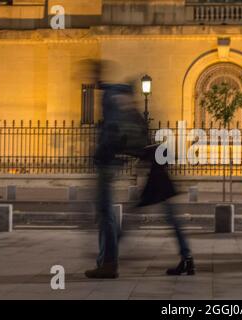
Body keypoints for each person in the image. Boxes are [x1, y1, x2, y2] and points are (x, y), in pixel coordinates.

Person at [84, 61, 147, 279]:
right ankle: (106, 260)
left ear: (97, 74)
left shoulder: (108, 96)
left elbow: (111, 129)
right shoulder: (116, 94)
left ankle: (108, 262)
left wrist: (103, 152)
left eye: (91, 72)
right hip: (111, 160)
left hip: (106, 162)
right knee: (105, 212)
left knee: (105, 212)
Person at [138, 146, 195, 276]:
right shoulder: (158, 168)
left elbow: (150, 182)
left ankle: (187, 258)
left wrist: (140, 201)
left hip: (163, 191)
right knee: (175, 224)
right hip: (165, 191)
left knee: (175, 224)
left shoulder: (156, 171)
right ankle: (187, 259)